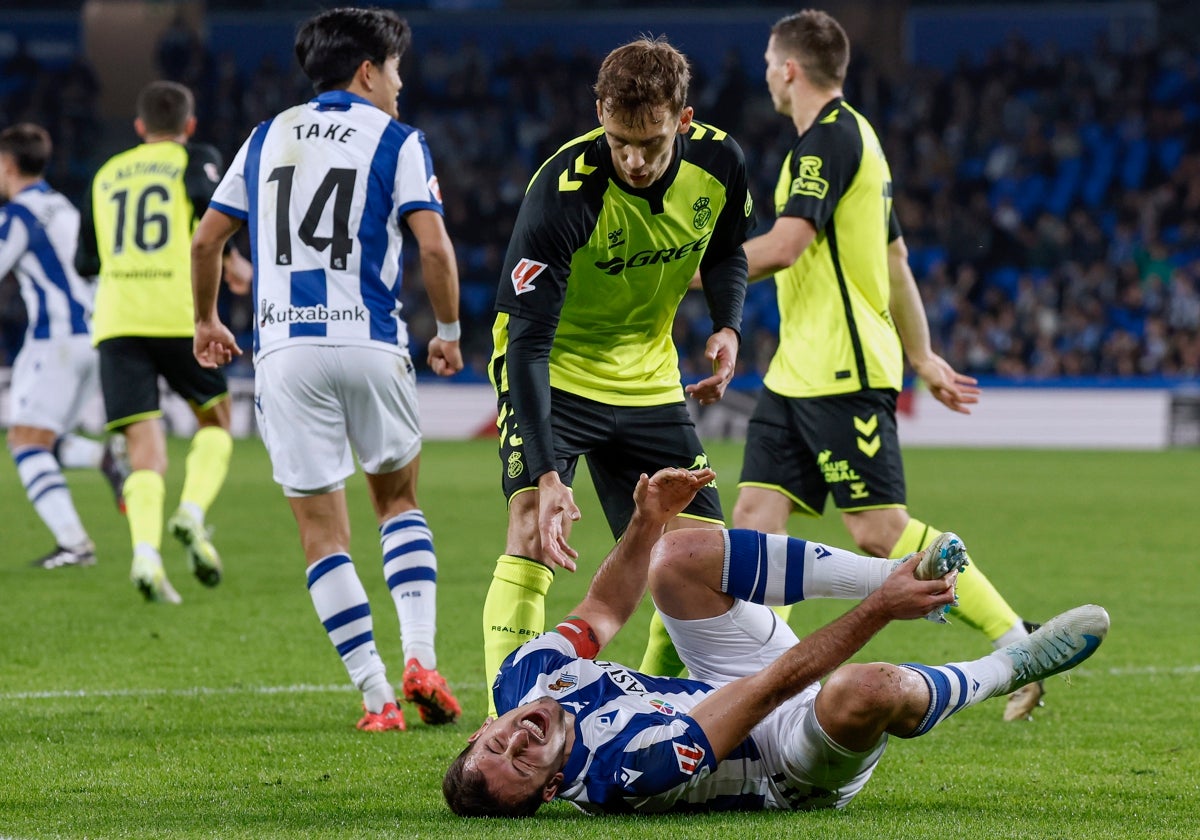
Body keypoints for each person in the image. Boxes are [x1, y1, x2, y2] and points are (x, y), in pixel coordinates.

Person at [443, 465, 1109, 816]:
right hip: (784, 761)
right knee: (861, 689)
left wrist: (646, 523)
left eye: (499, 741)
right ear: (556, 785)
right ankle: (1009, 664)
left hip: (722, 685)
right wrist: (881, 611)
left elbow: (603, 606)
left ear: (482, 729)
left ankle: (895, 569)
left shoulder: (521, 681)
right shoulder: (627, 770)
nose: (519, 737)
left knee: (674, 557)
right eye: (525, 761)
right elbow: (772, 689)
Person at [731, 10, 1044, 720]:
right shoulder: (859, 141)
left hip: (840, 369)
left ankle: (1016, 642)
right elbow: (896, 260)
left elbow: (783, 246)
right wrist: (923, 353)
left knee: (878, 531)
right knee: (746, 532)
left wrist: (677, 272)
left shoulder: (828, 144)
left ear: (788, 69)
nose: (764, 74)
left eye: (767, 63)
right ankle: (700, 692)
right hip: (795, 374)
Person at [191, 7, 463, 732]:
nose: (400, 86)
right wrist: (448, 332)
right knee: (399, 502)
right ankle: (422, 659)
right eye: (396, 71)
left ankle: (376, 698)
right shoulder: (398, 139)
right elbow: (433, 249)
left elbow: (207, 240)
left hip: (285, 351)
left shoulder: (263, 136)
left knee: (322, 532)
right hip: (370, 339)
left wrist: (207, 319)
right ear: (368, 70)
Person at [482, 36, 754, 706]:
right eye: (618, 140)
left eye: (652, 143)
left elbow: (725, 252)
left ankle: (681, 703)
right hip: (555, 369)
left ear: (683, 121)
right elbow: (528, 344)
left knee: (697, 558)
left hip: (648, 377)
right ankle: (504, 719)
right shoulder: (563, 192)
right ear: (599, 113)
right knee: (532, 529)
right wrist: (547, 477)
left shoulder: (721, 162)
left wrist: (726, 324)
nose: (632, 160)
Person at [77, 80, 250, 604]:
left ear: (138, 128)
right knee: (216, 422)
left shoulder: (106, 174)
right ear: (189, 126)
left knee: (142, 449)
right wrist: (231, 261)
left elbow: (88, 261)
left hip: (118, 321)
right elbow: (207, 207)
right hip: (179, 315)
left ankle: (146, 557)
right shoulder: (195, 158)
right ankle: (192, 514)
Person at [0, 122, 129, 568]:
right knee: (45, 439)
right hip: (92, 336)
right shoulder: (66, 207)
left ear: (9, 164)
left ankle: (74, 544)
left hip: (54, 342)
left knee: (25, 442)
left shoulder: (17, 216)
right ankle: (104, 457)